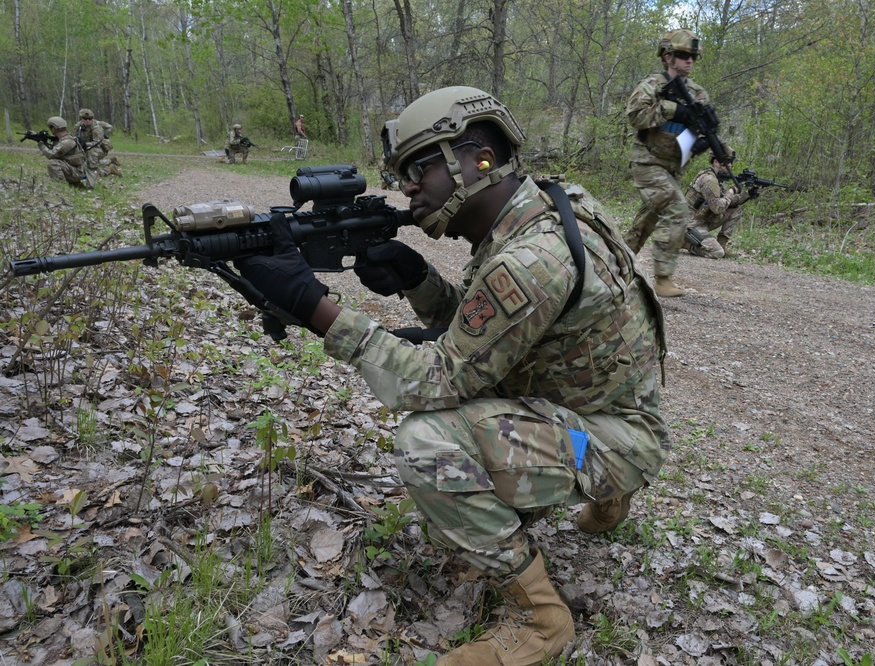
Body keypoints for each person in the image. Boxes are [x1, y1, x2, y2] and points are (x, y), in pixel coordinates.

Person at [226, 86, 668, 664]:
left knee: (427, 442)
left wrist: (314, 307)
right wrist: (419, 280)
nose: (408, 185)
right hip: (595, 409)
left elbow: (434, 379)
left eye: (419, 166)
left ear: (476, 157)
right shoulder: (546, 206)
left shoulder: (530, 259)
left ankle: (541, 617)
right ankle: (606, 492)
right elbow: (497, 332)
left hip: (612, 437)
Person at [623, 28, 710, 298]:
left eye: (693, 57)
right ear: (668, 56)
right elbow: (637, 118)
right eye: (684, 55)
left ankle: (615, 265)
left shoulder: (698, 93)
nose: (689, 61)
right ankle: (662, 278)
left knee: (645, 223)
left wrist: (715, 146)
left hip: (672, 168)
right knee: (677, 208)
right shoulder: (652, 86)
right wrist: (673, 109)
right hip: (647, 163)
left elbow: (705, 129)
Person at [683, 152, 753, 258]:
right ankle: (686, 243)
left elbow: (729, 201)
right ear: (716, 162)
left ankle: (722, 245)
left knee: (735, 210)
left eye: (731, 162)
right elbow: (718, 208)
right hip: (690, 224)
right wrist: (731, 191)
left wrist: (748, 194)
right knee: (716, 252)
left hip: (702, 220)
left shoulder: (718, 180)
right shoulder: (709, 180)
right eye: (727, 162)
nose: (730, 165)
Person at [36, 116, 95, 189]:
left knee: (53, 163)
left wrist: (41, 143)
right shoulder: (64, 138)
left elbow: (51, 155)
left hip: (77, 172)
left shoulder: (67, 141)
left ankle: (60, 187)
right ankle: (76, 185)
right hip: (74, 169)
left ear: (53, 128)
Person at [74, 108, 121, 177]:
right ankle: (110, 161)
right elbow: (75, 137)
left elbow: (96, 143)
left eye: (90, 118)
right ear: (81, 118)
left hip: (98, 148)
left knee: (92, 165)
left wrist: (106, 136)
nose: (87, 120)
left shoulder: (96, 127)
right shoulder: (78, 126)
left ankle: (109, 170)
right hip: (85, 148)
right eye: (85, 118)